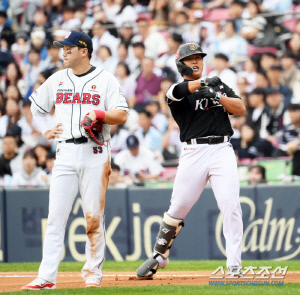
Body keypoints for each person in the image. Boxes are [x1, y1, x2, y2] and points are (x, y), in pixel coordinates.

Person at [22, 30, 128, 290]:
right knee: (55, 217)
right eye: (62, 48)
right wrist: (47, 127)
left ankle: (92, 273)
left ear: (84, 51)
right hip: (65, 151)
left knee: (93, 217)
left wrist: (99, 113)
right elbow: (36, 107)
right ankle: (46, 277)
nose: (63, 52)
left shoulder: (105, 80)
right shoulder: (57, 79)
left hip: (94, 152)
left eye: (69, 48)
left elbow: (121, 115)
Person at [136, 43, 246, 279]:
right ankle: (159, 256)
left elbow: (240, 108)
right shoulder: (175, 89)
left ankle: (234, 264)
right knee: (177, 208)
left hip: (222, 150)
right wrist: (206, 84)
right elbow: (179, 91)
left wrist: (217, 94)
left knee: (231, 207)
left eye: (198, 58)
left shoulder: (217, 85)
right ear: (181, 64)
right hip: (193, 152)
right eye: (190, 58)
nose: (196, 61)